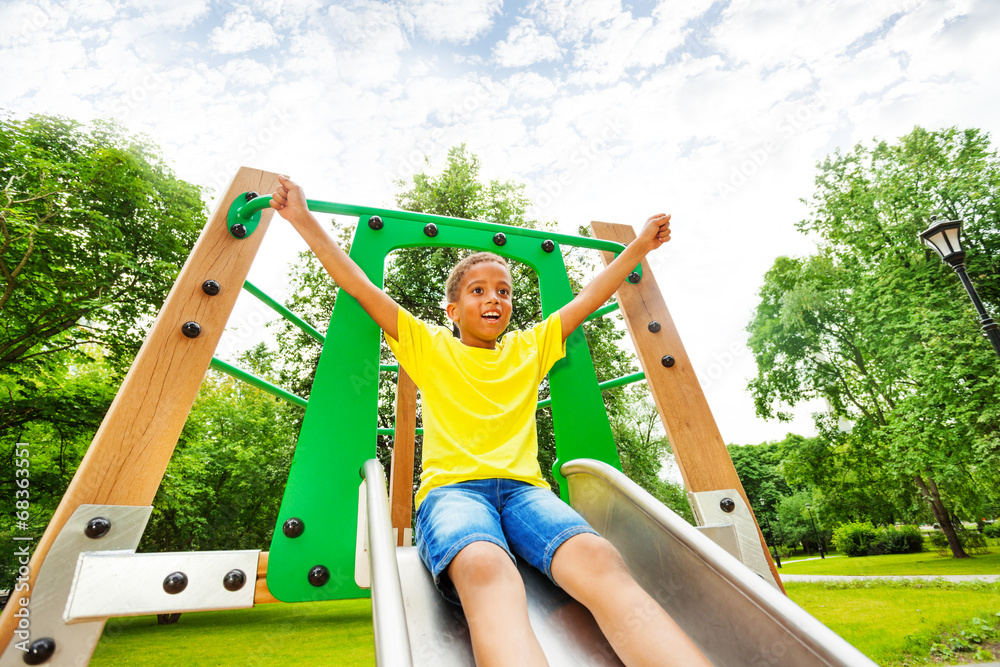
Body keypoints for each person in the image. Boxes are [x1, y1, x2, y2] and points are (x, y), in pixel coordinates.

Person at [270, 175, 711, 667]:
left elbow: (591, 297)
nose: (493, 299)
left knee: (600, 558)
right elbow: (359, 284)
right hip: (453, 491)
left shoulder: (530, 348)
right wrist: (303, 220)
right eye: (478, 291)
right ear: (452, 310)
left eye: (503, 291)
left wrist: (637, 248)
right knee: (484, 566)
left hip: (526, 493)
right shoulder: (429, 345)